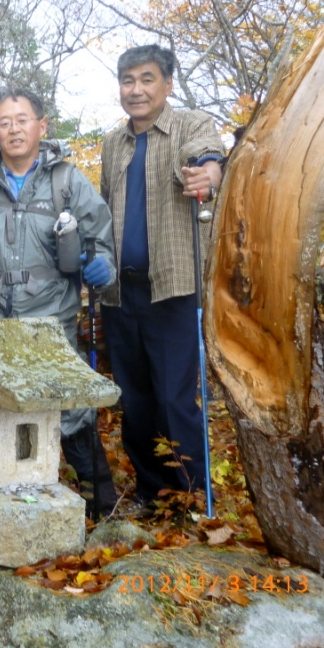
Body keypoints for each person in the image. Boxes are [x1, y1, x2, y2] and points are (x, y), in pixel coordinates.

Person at [0, 86, 119, 512]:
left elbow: (100, 235)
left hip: (52, 316)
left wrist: (101, 265)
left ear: (41, 126)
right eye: (4, 122)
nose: (14, 129)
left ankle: (102, 502)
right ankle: (5, 495)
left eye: (22, 120)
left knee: (69, 407)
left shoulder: (66, 179)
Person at [99, 44, 225, 507]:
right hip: (119, 291)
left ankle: (190, 496)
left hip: (172, 287)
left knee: (173, 399)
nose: (137, 90)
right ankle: (153, 492)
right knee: (134, 401)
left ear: (167, 84)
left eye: (147, 79)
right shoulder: (114, 143)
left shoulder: (188, 126)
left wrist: (207, 176)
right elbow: (104, 208)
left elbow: (208, 156)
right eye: (128, 81)